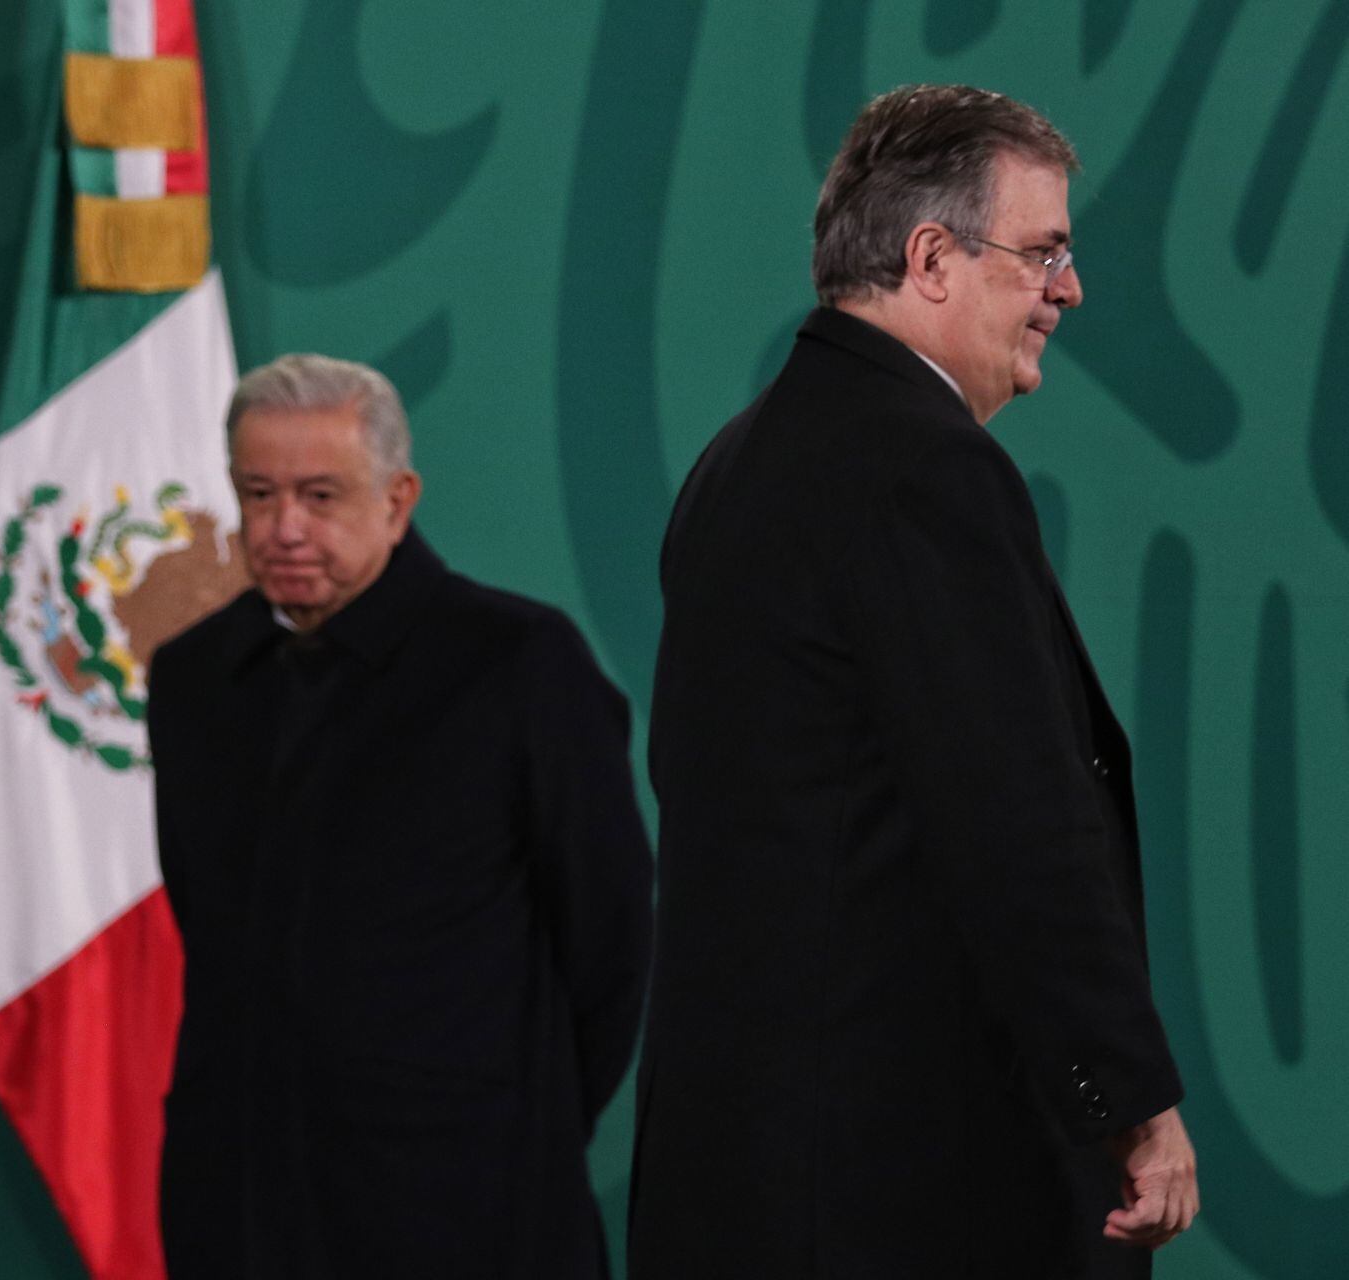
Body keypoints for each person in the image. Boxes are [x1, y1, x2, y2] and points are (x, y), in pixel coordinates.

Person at [630, 85, 1200, 1279]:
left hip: (746, 1170)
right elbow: (1019, 819)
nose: (1068, 290)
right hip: (903, 1183)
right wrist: (1130, 1099)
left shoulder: (734, 462)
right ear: (930, 258)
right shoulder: (922, 466)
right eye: (1042, 252)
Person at [146, 354, 654, 1279]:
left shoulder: (519, 664)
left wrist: (521, 1125)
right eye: (258, 495)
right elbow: (213, 931)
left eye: (320, 495)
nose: (284, 527)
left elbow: (609, 941)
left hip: (468, 1202)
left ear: (397, 498)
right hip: (239, 1202)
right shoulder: (192, 679)